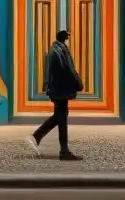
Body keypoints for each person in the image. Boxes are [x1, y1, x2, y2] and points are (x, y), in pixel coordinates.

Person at [25, 29, 83, 160]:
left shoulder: (54, 49)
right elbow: (68, 69)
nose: (68, 39)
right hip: (60, 89)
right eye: (67, 37)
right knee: (61, 117)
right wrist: (78, 82)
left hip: (57, 89)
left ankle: (39, 138)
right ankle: (61, 150)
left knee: (61, 116)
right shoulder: (61, 50)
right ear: (63, 37)